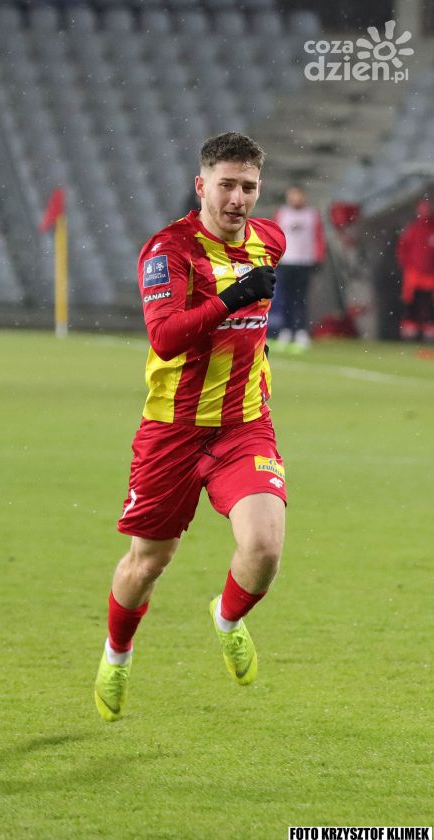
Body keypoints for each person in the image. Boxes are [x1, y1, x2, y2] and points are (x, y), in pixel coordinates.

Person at [94, 131, 287, 722]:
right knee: (147, 563)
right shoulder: (169, 251)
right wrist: (233, 298)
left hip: (243, 425)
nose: (237, 199)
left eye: (248, 187)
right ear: (201, 186)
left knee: (264, 547)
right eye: (226, 185)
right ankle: (117, 654)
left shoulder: (270, 241)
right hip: (172, 430)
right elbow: (165, 338)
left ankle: (226, 619)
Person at [272, 185, 325, 351]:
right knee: (285, 298)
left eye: (298, 195)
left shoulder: (312, 215)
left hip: (304, 262)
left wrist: (318, 257)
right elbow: (275, 236)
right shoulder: (282, 213)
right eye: (292, 195)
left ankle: (301, 330)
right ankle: (286, 330)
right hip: (286, 261)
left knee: (301, 298)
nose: (295, 199)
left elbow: (318, 237)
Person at [396, 198, 434, 342]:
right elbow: (402, 249)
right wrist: (408, 265)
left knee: (429, 304)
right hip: (415, 275)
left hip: (431, 276)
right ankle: (410, 332)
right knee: (412, 303)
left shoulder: (431, 229)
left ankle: (429, 330)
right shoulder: (412, 229)